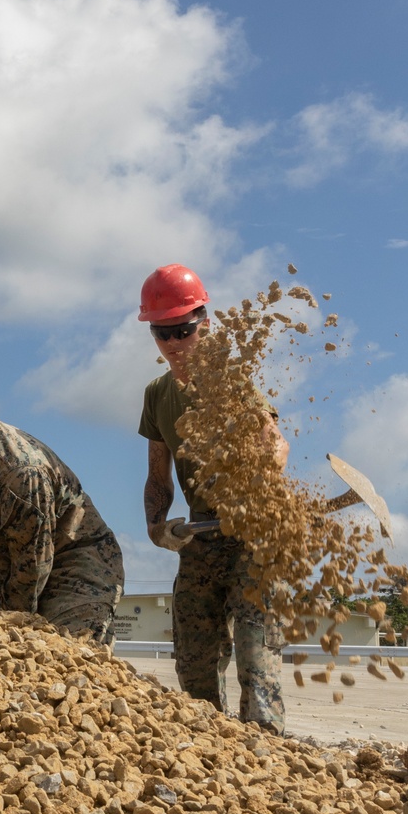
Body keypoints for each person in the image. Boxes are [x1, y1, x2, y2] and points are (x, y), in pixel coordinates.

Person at [138, 262, 287, 733]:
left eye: (182, 330)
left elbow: (275, 442)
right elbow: (157, 476)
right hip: (202, 534)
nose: (173, 345)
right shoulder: (157, 395)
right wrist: (158, 527)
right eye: (162, 334)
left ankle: (268, 752)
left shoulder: (231, 379)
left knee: (254, 651)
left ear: (205, 322)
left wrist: (258, 484)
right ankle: (210, 755)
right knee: (194, 662)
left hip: (253, 534)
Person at [0, 355, 123, 641]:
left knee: (67, 654)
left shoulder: (22, 469)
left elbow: (34, 564)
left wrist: (11, 636)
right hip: (14, 567)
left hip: (76, 564)